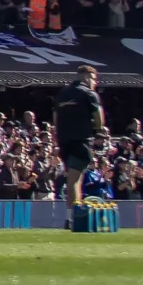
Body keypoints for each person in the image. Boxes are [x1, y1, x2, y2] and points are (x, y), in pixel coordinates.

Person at [55, 64, 106, 206]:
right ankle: (72, 217)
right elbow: (100, 121)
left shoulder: (62, 93)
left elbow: (55, 118)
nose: (95, 83)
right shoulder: (89, 94)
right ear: (86, 76)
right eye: (94, 79)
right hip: (81, 140)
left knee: (72, 177)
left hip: (64, 140)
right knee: (75, 180)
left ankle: (71, 215)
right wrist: (94, 126)